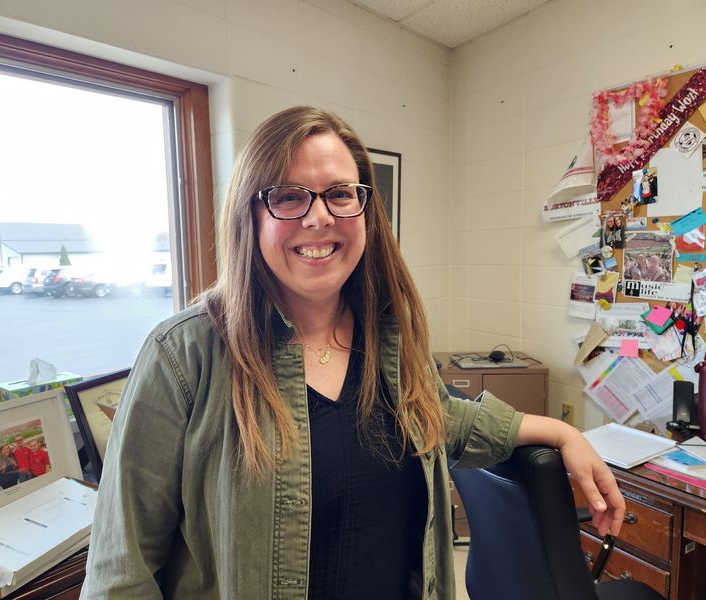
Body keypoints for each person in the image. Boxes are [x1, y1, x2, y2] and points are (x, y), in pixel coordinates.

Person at [81, 106, 624, 600]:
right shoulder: (184, 356)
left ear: (364, 210)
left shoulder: (389, 336)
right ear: (251, 214)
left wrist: (561, 431)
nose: (319, 217)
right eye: (288, 196)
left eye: (340, 193)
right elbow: (120, 575)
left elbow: (438, 416)